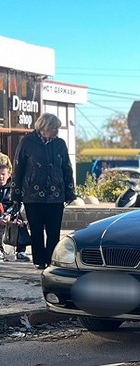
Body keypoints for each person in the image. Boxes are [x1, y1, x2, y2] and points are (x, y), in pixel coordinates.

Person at [11, 113, 76, 270]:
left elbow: (66, 167)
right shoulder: (27, 142)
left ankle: (51, 260)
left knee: (54, 231)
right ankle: (39, 260)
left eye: (57, 129)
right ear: (44, 127)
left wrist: (70, 191)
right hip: (32, 196)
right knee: (37, 230)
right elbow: (18, 168)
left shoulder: (60, 144)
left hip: (56, 195)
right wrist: (16, 194)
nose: (56, 132)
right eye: (54, 128)